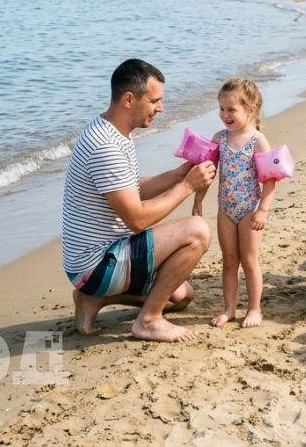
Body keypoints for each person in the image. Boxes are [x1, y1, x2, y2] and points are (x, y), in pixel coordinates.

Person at [62, 59, 217, 342]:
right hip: (96, 263)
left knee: (181, 296)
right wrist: (186, 187)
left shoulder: (112, 131)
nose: (161, 108)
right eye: (155, 101)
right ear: (129, 99)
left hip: (97, 259)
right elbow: (137, 219)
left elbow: (130, 189)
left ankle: (93, 299)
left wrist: (176, 175)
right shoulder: (105, 146)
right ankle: (147, 320)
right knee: (198, 231)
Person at [190, 78, 278, 328]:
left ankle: (254, 309)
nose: (225, 115)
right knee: (229, 260)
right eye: (221, 109)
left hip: (250, 210)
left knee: (249, 260)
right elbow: (208, 172)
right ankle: (229, 308)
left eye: (231, 110)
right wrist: (198, 200)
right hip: (226, 210)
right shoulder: (220, 138)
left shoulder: (258, 140)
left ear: (249, 109)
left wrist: (263, 209)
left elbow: (270, 179)